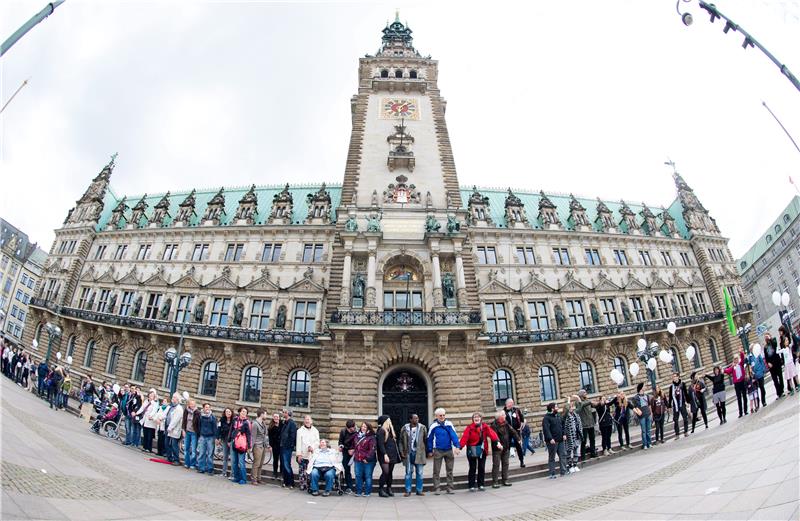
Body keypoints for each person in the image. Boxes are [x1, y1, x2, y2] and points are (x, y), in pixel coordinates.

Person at [460, 412, 499, 492]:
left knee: (481, 467)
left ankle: (481, 485)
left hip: (482, 450)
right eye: (475, 417)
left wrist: (497, 442)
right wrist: (459, 447)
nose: (476, 418)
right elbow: (465, 437)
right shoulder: (469, 427)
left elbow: (492, 434)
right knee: (472, 467)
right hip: (472, 450)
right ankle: (471, 485)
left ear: (481, 418)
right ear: (473, 419)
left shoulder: (485, 427)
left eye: (478, 417)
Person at [426, 407, 460, 495]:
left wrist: (457, 446)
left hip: (448, 450)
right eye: (440, 415)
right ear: (436, 416)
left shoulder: (449, 424)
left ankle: (450, 488)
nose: (442, 417)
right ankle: (437, 488)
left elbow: (454, 436)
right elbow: (429, 438)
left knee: (450, 470)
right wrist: (430, 450)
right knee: (436, 471)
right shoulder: (433, 426)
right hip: (438, 450)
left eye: (444, 415)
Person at [398, 414, 427, 496]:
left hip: (419, 454)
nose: (417, 419)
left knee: (420, 472)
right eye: (415, 418)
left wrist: (426, 451)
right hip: (408, 453)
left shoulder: (422, 428)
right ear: (410, 419)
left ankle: (419, 490)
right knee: (408, 473)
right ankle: (408, 490)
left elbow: (425, 439)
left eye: (417, 418)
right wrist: (401, 451)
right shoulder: (404, 428)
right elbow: (400, 441)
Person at [489, 409, 517, 488]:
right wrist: (498, 443)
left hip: (506, 447)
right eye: (504, 415)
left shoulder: (506, 423)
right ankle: (495, 482)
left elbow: (512, 431)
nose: (505, 416)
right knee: (496, 465)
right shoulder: (494, 425)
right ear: (500, 416)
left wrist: (518, 438)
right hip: (497, 449)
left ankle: (505, 480)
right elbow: (494, 436)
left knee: (505, 464)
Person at [376, 415, 400, 498]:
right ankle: (381, 489)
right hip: (384, 455)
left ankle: (389, 488)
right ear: (385, 421)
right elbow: (380, 445)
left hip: (392, 454)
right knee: (385, 472)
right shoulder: (381, 431)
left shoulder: (390, 430)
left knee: (390, 472)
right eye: (388, 420)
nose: (390, 421)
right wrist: (385, 455)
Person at [542, 403, 566, 479]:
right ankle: (552, 473)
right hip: (552, 441)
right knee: (552, 457)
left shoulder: (558, 416)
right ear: (552, 409)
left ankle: (563, 471)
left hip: (560, 439)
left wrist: (564, 434)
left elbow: (563, 425)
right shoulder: (546, 418)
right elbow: (546, 429)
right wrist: (550, 438)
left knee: (562, 455)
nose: (557, 408)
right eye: (556, 407)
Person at [353, 421, 377, 497]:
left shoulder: (371, 437)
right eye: (362, 426)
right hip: (357, 459)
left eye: (365, 427)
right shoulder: (357, 436)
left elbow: (372, 449)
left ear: (368, 429)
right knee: (358, 475)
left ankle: (367, 492)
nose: (363, 428)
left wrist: (367, 458)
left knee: (368, 476)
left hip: (368, 461)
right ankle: (358, 491)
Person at [296, 415, 320, 489]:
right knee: (302, 471)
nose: (307, 421)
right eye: (306, 419)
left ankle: (309, 484)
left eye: (308, 419)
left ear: (311, 421)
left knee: (310, 470)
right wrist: (298, 454)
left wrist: (312, 447)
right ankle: (303, 484)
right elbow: (298, 443)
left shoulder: (315, 431)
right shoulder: (300, 431)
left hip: (312, 454)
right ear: (304, 421)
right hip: (303, 454)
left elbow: (317, 442)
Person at [503, 398, 528, 466]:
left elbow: (522, 419)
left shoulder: (516, 410)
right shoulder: (503, 412)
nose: (512, 404)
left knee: (518, 446)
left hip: (516, 431)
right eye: (511, 403)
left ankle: (522, 461)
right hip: (507, 431)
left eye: (513, 403)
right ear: (507, 404)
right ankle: (505, 463)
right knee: (507, 447)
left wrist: (521, 426)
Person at [229, 407, 251, 485]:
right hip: (234, 442)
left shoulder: (247, 422)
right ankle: (236, 477)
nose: (244, 413)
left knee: (241, 462)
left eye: (245, 412)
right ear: (239, 412)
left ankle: (243, 479)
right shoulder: (235, 419)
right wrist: (229, 440)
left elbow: (249, 434)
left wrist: (249, 445)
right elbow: (231, 430)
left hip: (242, 443)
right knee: (234, 461)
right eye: (242, 411)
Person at [574, 389, 597, 460]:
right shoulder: (578, 402)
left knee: (592, 439)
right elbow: (582, 405)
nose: (586, 393)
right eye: (584, 393)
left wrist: (598, 403)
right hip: (584, 424)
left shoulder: (587, 400)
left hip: (591, 423)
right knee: (584, 441)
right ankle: (583, 456)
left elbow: (592, 406)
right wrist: (590, 402)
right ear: (581, 394)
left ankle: (593, 453)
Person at [723, 350, 748, 417]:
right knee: (739, 398)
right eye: (735, 359)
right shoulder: (733, 367)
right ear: (733, 360)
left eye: (737, 359)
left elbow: (743, 358)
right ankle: (740, 413)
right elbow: (728, 371)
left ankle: (745, 410)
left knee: (745, 396)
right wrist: (723, 370)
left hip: (742, 381)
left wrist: (741, 352)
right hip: (737, 384)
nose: (736, 360)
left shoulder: (741, 364)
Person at [196, 403, 218, 475]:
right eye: (206, 407)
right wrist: (199, 434)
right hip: (202, 436)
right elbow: (198, 426)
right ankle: (201, 468)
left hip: (210, 437)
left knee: (210, 454)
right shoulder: (200, 416)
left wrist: (215, 437)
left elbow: (215, 428)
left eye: (209, 407)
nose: (207, 408)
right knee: (202, 453)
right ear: (203, 408)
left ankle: (210, 469)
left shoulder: (213, 417)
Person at [562, 399, 583, 473]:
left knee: (576, 451)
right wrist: (568, 400)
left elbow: (580, 407)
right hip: (569, 437)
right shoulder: (565, 416)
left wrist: (577, 398)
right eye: (570, 407)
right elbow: (564, 426)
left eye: (572, 407)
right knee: (569, 451)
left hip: (576, 435)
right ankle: (570, 466)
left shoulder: (575, 414)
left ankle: (575, 465)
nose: (572, 408)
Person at [338, 419, 357, 494]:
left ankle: (359, 487)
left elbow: (359, 443)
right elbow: (340, 441)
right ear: (346, 427)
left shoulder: (357, 432)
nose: (351, 430)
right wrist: (341, 446)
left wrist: (353, 449)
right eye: (349, 429)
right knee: (347, 469)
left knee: (358, 470)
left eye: (352, 428)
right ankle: (349, 487)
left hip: (356, 452)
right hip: (346, 451)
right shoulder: (343, 431)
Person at [668, 372, 690, 438]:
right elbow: (670, 397)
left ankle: (686, 431)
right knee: (675, 420)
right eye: (673, 377)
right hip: (675, 405)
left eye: (675, 376)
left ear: (678, 377)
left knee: (685, 418)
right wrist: (669, 406)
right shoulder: (671, 387)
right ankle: (677, 434)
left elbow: (686, 393)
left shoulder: (682, 384)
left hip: (682, 403)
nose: (674, 378)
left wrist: (688, 402)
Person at [631, 382, 652, 449]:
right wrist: (637, 411)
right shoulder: (636, 397)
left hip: (648, 414)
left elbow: (649, 405)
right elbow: (635, 406)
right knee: (643, 430)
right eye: (644, 386)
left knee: (648, 430)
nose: (645, 387)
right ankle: (645, 444)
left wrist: (651, 413)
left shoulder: (647, 395)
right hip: (642, 415)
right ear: (641, 387)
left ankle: (649, 443)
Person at [164, 392, 184, 465]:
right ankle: (170, 457)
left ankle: (176, 459)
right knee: (167, 443)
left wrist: (170, 427)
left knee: (174, 445)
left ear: (177, 399)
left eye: (174, 397)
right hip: (169, 428)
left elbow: (175, 420)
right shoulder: (172, 407)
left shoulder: (179, 408)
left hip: (174, 429)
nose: (172, 399)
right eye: (172, 397)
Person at [280, 410, 298, 488]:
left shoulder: (292, 423)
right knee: (284, 464)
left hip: (287, 447)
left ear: (288, 414)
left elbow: (292, 436)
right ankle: (285, 481)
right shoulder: (285, 422)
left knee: (287, 464)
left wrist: (290, 445)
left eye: (284, 412)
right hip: (282, 446)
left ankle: (291, 482)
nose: (283, 413)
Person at [250, 408, 269, 485]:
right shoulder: (255, 424)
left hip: (263, 445)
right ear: (261, 414)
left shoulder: (263, 423)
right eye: (265, 414)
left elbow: (265, 435)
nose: (266, 415)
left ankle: (258, 478)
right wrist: (251, 447)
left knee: (261, 463)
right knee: (256, 463)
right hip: (257, 446)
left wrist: (267, 445)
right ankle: (253, 479)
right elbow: (253, 436)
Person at [764, 333, 784, 399]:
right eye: (765, 337)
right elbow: (766, 357)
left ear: (770, 336)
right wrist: (768, 363)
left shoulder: (774, 340)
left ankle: (782, 390)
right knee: (775, 380)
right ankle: (778, 393)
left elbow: (775, 345)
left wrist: (770, 339)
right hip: (771, 366)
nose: (766, 338)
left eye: (767, 336)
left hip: (777, 363)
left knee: (780, 377)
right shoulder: (765, 347)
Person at [777, 331, 798, 395]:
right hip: (787, 365)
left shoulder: (789, 347)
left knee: (795, 375)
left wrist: (792, 335)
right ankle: (791, 389)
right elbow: (777, 352)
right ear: (784, 342)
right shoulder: (783, 349)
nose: (787, 341)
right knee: (789, 378)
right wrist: (779, 343)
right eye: (786, 341)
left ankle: (798, 385)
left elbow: (793, 342)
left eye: (787, 340)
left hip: (791, 363)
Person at [182, 399, 200, 468]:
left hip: (194, 433)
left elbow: (198, 423)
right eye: (190, 404)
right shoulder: (186, 411)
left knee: (193, 449)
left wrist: (198, 432)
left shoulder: (197, 412)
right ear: (189, 405)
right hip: (187, 431)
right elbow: (184, 420)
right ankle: (187, 463)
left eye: (193, 404)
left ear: (195, 404)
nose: (192, 405)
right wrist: (183, 430)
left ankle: (193, 464)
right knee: (186, 448)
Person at [218, 408, 235, 478]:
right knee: (225, 457)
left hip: (231, 441)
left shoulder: (234, 420)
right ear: (224, 413)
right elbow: (219, 428)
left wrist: (231, 440)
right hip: (224, 440)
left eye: (229, 411)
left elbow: (234, 431)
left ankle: (232, 474)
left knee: (232, 458)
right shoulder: (222, 420)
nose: (228, 413)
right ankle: (224, 472)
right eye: (226, 412)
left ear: (231, 413)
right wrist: (218, 437)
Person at [268, 412, 284, 479]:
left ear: (279, 417)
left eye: (277, 417)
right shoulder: (271, 426)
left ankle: (281, 474)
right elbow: (270, 437)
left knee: (282, 460)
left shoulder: (282, 424)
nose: (276, 418)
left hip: (282, 445)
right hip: (275, 445)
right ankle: (275, 473)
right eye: (274, 416)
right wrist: (270, 446)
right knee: (275, 460)